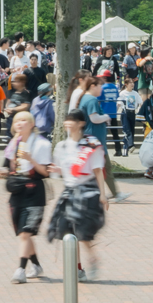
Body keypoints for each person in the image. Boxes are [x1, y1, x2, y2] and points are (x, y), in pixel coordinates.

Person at [48, 109, 110, 281]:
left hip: (88, 193)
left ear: (81, 123)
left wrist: (103, 194)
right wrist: (57, 170)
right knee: (67, 232)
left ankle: (92, 258)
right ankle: (78, 268)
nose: (68, 123)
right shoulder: (62, 146)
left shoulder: (91, 144)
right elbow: (65, 170)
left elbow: (97, 171)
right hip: (69, 194)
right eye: (66, 120)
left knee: (82, 233)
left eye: (72, 120)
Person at [0, 111, 52, 284]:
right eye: (17, 121)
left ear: (32, 124)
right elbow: (8, 167)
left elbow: (45, 172)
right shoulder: (13, 143)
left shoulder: (42, 144)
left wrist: (30, 159)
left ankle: (20, 270)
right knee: (23, 233)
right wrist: (1, 172)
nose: (19, 123)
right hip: (17, 191)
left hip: (34, 191)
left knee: (26, 232)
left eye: (24, 120)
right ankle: (36, 265)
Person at [80, 77, 129, 203]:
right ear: (92, 86)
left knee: (103, 168)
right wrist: (106, 117)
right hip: (95, 141)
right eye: (99, 87)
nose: (101, 90)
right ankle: (113, 193)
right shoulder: (91, 100)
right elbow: (94, 118)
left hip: (93, 139)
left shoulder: (86, 98)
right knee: (104, 167)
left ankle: (113, 192)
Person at [98, 72, 123, 157]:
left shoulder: (102, 88)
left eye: (101, 77)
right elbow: (116, 98)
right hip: (113, 113)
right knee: (115, 133)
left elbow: (98, 101)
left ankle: (102, 151)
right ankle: (118, 150)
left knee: (103, 133)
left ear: (105, 78)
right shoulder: (115, 87)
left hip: (103, 113)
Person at [118, 78, 141, 156]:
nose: (132, 84)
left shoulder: (135, 93)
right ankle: (131, 145)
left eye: (133, 83)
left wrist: (139, 110)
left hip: (132, 113)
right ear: (126, 84)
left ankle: (127, 146)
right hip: (125, 112)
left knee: (132, 130)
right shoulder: (122, 93)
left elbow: (140, 102)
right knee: (127, 130)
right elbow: (119, 103)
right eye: (130, 83)